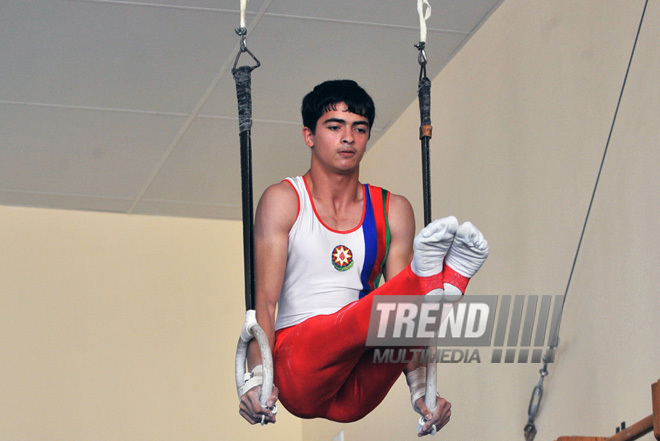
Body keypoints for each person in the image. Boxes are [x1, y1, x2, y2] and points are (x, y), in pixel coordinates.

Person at [238, 80, 489, 436]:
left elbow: (405, 326)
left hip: (359, 389)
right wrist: (256, 378)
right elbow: (264, 303)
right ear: (309, 135)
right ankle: (432, 277)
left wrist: (423, 389)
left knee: (403, 317)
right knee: (374, 312)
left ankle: (431, 283)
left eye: (360, 128)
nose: (348, 138)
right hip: (300, 370)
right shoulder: (284, 200)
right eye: (334, 126)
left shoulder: (392, 210)